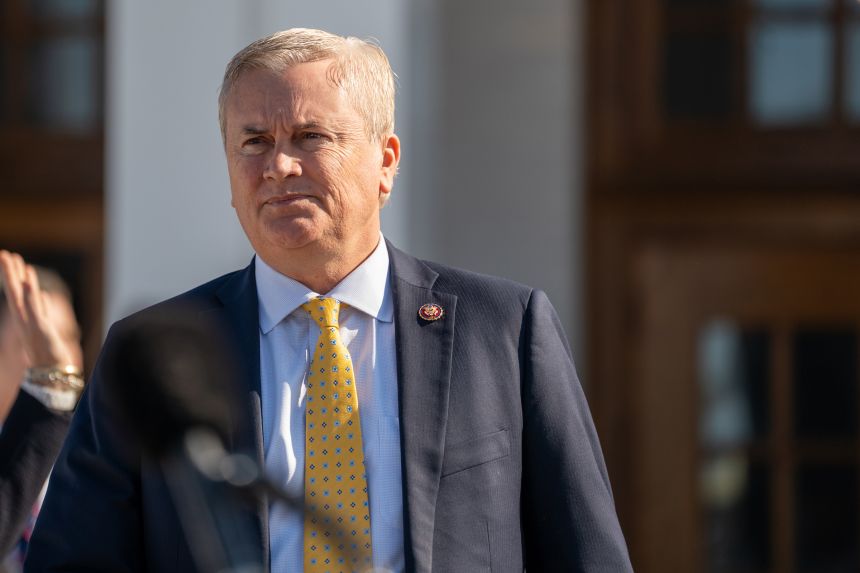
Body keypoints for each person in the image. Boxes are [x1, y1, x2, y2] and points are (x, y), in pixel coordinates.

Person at [26, 28, 632, 572]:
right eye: (254, 142)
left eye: (310, 136)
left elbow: (587, 554)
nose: (279, 165)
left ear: (385, 162)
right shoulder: (158, 352)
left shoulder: (502, 329)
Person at [0, 251, 84, 568]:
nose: (62, 356)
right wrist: (49, 385)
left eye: (69, 337)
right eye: (37, 338)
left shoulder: (92, 458)